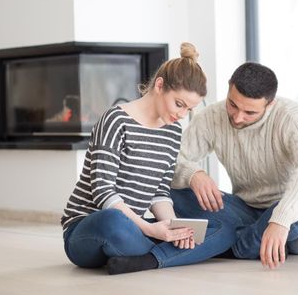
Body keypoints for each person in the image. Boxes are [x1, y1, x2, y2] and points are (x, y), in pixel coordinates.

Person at [61, 43, 235, 275]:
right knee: (112, 221)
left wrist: (175, 228)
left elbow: (159, 191)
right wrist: (152, 230)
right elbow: (103, 191)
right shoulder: (116, 119)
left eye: (189, 110)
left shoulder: (172, 132)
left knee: (225, 229)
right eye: (179, 104)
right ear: (160, 85)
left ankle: (146, 259)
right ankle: (168, 255)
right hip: (91, 227)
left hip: (137, 225)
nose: (181, 115)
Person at [171, 62, 298, 270]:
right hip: (246, 211)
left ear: (270, 104)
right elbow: (170, 160)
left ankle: (234, 247)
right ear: (229, 86)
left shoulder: (293, 117)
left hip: (296, 224)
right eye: (233, 104)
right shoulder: (211, 116)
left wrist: (281, 220)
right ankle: (248, 241)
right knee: (173, 190)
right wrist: (193, 173)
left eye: (249, 112)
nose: (238, 117)